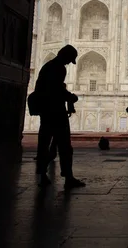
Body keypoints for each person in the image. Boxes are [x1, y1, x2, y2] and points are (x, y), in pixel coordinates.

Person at [34, 44, 85, 188]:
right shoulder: (58, 68)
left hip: (47, 111)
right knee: (64, 146)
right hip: (55, 111)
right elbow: (55, 89)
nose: (70, 63)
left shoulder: (49, 66)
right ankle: (68, 177)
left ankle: (43, 176)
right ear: (65, 55)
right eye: (70, 59)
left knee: (45, 144)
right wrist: (70, 97)